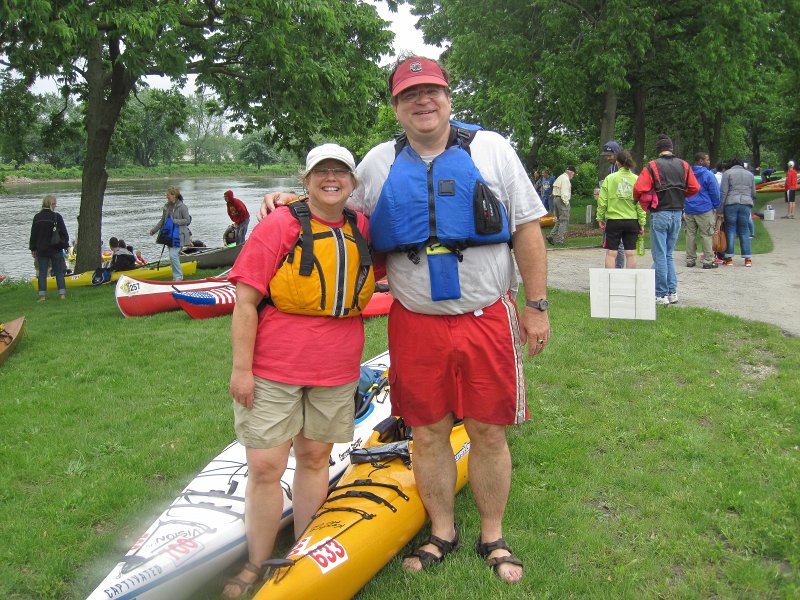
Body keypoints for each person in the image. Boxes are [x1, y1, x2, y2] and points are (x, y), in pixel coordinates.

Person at [262, 55, 550, 585]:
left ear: (447, 97)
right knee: (427, 432)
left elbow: (528, 229)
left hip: (487, 315)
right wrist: (289, 202)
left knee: (488, 431)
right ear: (396, 107)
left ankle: (494, 534)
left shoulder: (491, 149)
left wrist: (536, 305)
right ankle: (442, 531)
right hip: (415, 321)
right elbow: (334, 207)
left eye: (432, 91)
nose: (423, 102)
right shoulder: (376, 162)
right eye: (409, 95)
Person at [224, 144, 376, 599]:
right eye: (321, 173)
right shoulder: (279, 224)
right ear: (306, 180)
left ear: (352, 182)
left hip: (335, 367)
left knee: (314, 460)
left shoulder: (361, 227)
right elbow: (245, 304)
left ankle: (303, 554)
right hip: (274, 367)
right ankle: (256, 562)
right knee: (266, 466)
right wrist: (241, 370)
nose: (332, 180)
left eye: (340, 173)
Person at [633, 134, 700, 305]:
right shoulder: (684, 165)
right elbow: (694, 187)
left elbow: (640, 187)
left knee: (660, 255)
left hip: (660, 212)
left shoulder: (653, 166)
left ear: (658, 150)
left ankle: (660, 294)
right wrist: (682, 195)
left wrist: (641, 200)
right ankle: (672, 292)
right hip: (677, 213)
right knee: (668, 254)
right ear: (671, 149)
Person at [596, 149, 645, 268]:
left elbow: (603, 201)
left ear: (617, 162)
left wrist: (600, 217)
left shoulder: (610, 178)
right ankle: (630, 282)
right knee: (631, 253)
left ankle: (609, 282)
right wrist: (642, 222)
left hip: (614, 220)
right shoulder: (637, 179)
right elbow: (640, 203)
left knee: (611, 253)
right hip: (631, 220)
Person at [684, 152, 721, 269]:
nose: (709, 162)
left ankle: (690, 259)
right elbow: (714, 192)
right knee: (706, 235)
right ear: (701, 161)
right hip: (704, 208)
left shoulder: (687, 174)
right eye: (707, 160)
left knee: (690, 234)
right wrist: (716, 206)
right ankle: (708, 260)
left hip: (689, 208)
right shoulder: (708, 174)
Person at [29, 194, 69, 302]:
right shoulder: (57, 216)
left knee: (42, 273)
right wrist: (66, 246)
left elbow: (33, 235)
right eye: (55, 204)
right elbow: (64, 233)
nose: (56, 206)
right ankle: (62, 294)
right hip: (55, 248)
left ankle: (42, 296)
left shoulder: (37, 217)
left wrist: (33, 248)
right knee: (59, 272)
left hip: (42, 249)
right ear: (51, 204)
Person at [719, 157, 756, 267]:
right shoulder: (750, 174)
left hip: (731, 203)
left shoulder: (727, 173)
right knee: (744, 230)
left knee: (730, 229)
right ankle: (747, 258)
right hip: (745, 203)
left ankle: (729, 257)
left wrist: (720, 209)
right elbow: (753, 192)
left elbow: (723, 192)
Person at [149, 187, 191, 281]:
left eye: (168, 195)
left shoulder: (182, 207)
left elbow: (187, 220)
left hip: (179, 235)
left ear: (174, 195)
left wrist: (175, 221)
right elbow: (163, 220)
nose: (166, 196)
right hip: (169, 236)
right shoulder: (166, 206)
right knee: (173, 256)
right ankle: (176, 276)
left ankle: (178, 277)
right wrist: (154, 230)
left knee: (173, 255)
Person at [601, 140, 625, 268]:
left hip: (621, 211)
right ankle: (615, 269)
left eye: (610, 155)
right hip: (611, 209)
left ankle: (618, 270)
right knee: (614, 243)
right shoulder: (611, 169)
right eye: (606, 156)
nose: (608, 158)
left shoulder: (624, 168)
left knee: (619, 244)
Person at [547, 166, 576, 246]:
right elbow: (564, 192)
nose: (573, 175)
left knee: (559, 220)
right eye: (573, 173)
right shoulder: (566, 179)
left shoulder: (560, 177)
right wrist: (566, 203)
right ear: (570, 172)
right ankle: (560, 239)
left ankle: (551, 236)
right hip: (562, 200)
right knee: (564, 220)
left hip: (555, 199)